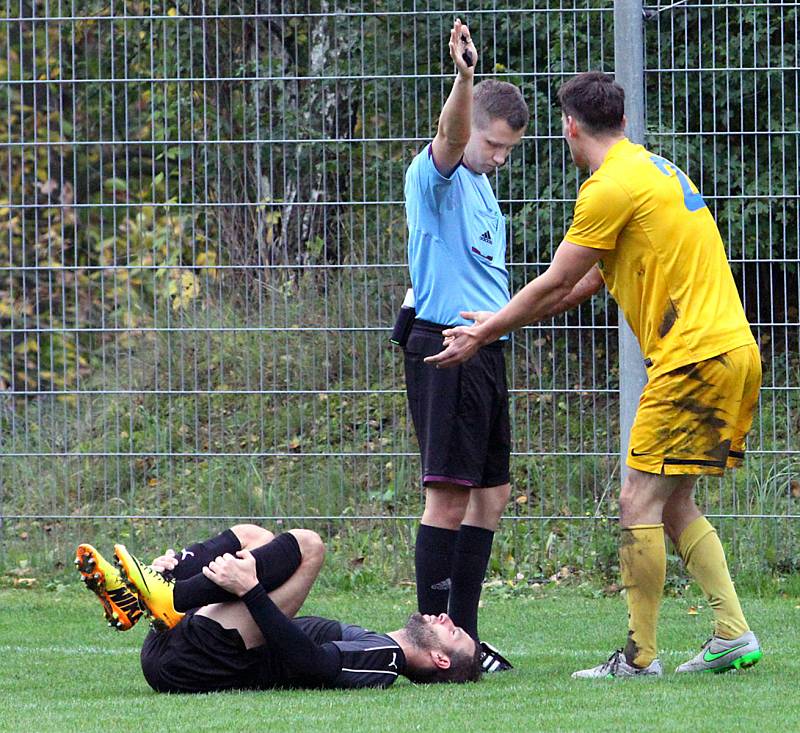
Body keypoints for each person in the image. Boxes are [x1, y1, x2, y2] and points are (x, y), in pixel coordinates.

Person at [425, 71, 763, 678]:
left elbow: (556, 279)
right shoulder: (655, 169)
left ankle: (638, 659)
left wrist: (485, 331)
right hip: (732, 351)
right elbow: (584, 285)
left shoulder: (608, 189)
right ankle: (732, 633)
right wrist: (501, 321)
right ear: (624, 123)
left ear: (570, 127)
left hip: (691, 358)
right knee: (674, 500)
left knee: (637, 498)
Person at [401, 18, 528, 673]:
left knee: (491, 493)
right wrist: (464, 77)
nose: (498, 156)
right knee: (447, 497)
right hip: (445, 344)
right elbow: (450, 137)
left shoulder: (482, 187)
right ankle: (432, 644)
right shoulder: (438, 175)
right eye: (494, 143)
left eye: (509, 149)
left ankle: (468, 639)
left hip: (485, 350)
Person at [75, 523, 482, 691]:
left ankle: (170, 593)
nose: (447, 618)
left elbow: (312, 664)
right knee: (256, 537)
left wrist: (251, 590)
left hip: (199, 662)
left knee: (309, 546)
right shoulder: (374, 643)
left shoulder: (385, 661)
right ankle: (157, 586)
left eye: (454, 632)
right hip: (187, 647)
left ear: (439, 660)